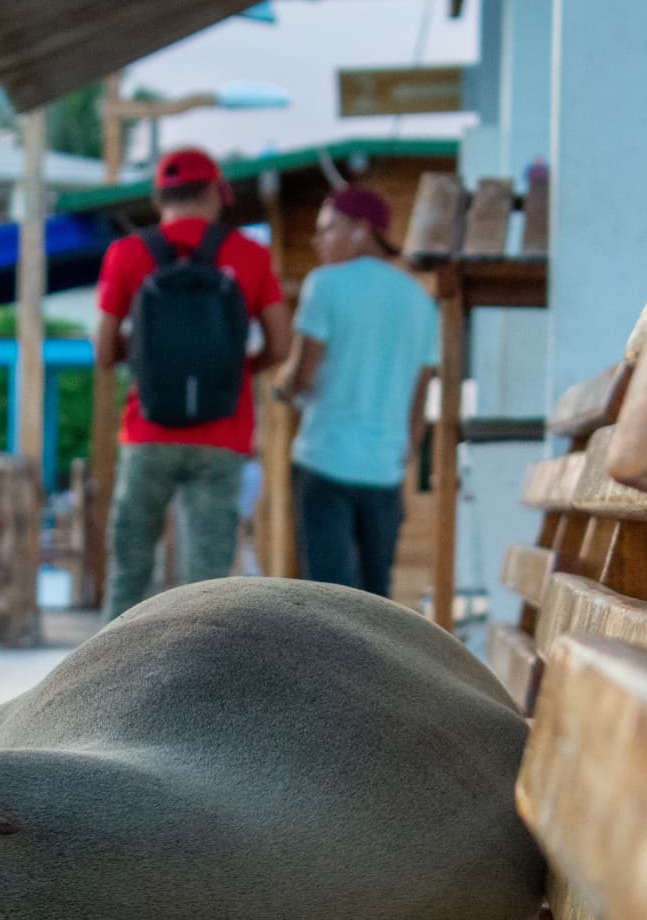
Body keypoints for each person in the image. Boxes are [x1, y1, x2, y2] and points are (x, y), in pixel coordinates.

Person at [94, 148, 291, 620]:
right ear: (213, 192)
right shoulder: (250, 255)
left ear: (159, 197)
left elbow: (102, 352)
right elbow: (281, 344)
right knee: (207, 585)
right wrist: (239, 369)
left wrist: (145, 360)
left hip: (147, 432)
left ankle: (107, 683)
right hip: (222, 435)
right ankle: (202, 685)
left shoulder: (127, 254)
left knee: (129, 571)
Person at [273, 186, 438, 600]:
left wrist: (282, 384)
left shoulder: (325, 284)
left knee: (329, 600)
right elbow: (420, 398)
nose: (317, 241)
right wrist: (405, 454)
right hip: (384, 468)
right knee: (376, 600)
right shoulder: (421, 301)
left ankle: (324, 669)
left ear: (363, 230)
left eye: (328, 229)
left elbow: (303, 373)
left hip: (325, 459)